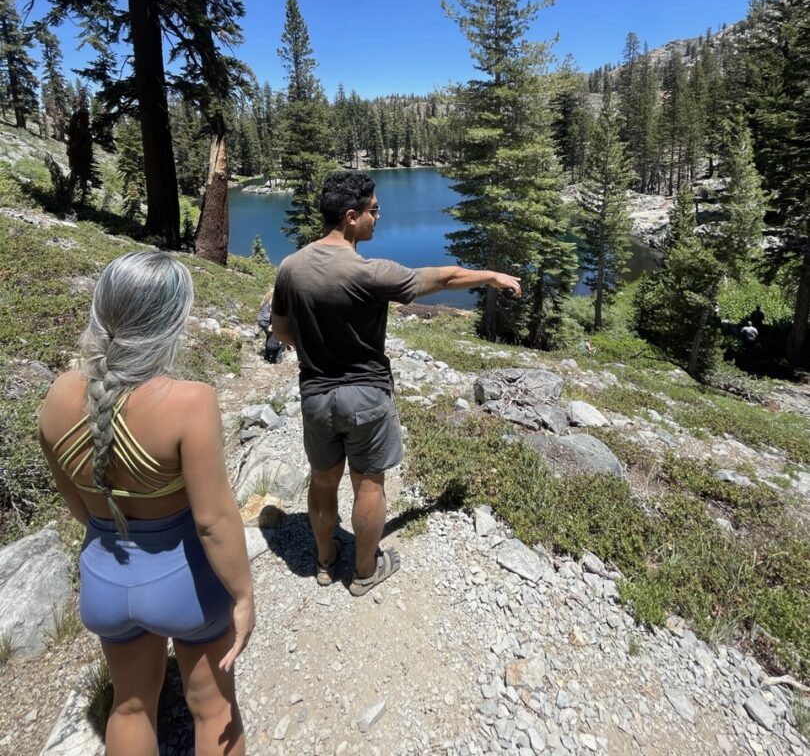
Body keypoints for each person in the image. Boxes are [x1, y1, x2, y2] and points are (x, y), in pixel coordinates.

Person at [38, 251, 254, 756]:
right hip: (185, 583)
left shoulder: (59, 393)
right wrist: (243, 594)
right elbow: (213, 522)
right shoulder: (189, 401)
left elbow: (77, 502)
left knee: (130, 705)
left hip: (105, 577)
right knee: (214, 708)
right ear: (172, 321)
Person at [271, 170, 521, 597]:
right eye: (374, 211)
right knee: (369, 483)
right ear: (351, 217)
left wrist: (311, 353)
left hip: (315, 396)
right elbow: (442, 278)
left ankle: (326, 562)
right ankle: (365, 570)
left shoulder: (290, 268)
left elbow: (279, 328)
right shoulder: (371, 273)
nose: (378, 218)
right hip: (366, 397)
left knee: (323, 480)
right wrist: (491, 277)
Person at [257, 288, 285, 364]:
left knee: (269, 337)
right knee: (279, 340)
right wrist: (273, 324)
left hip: (261, 320)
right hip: (266, 321)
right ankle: (275, 358)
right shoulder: (273, 298)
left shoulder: (266, 298)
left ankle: (267, 356)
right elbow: (273, 311)